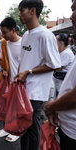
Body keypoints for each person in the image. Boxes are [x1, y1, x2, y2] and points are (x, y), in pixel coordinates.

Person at [15, 0, 61, 149]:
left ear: (32, 11)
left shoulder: (45, 35)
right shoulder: (26, 36)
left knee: (33, 130)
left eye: (22, 10)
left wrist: (29, 72)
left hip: (35, 93)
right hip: (23, 90)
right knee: (22, 129)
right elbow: (24, 60)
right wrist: (18, 76)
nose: (19, 14)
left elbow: (55, 64)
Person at [45, 1, 76, 149]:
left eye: (75, 9)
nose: (71, 15)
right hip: (67, 125)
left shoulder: (67, 53)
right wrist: (57, 107)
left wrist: (51, 106)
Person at [0, 17, 22, 142]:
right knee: (7, 106)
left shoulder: (24, 44)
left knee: (18, 108)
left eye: (5, 32)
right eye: (2, 33)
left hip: (21, 81)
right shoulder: (4, 43)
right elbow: (3, 61)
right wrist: (4, 69)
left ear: (13, 30)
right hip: (9, 79)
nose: (3, 35)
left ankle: (16, 130)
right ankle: (7, 128)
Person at [51, 33, 74, 99]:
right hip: (58, 81)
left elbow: (58, 68)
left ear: (61, 42)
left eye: (55, 41)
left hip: (61, 81)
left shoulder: (66, 53)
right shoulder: (62, 52)